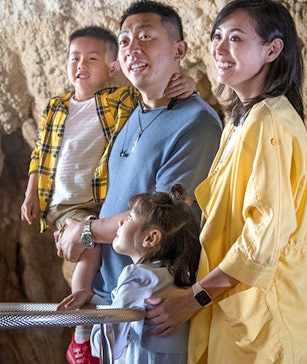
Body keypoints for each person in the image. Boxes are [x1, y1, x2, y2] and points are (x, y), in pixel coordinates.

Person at [143, 0, 307, 363]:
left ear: (272, 50)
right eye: (217, 36)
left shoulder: (268, 122)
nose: (220, 48)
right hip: (240, 314)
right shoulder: (241, 119)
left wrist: (194, 297)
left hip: (266, 320)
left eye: (236, 38)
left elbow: (262, 240)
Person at [57, 0, 222, 364]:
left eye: (146, 37)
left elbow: (161, 219)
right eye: (126, 40)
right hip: (110, 305)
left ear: (179, 50)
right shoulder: (134, 114)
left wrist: (84, 230)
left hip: (151, 313)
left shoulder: (197, 125)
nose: (133, 48)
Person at [21, 26, 195, 358]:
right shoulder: (55, 107)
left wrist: (187, 83)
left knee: (90, 250)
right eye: (74, 58)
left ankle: (81, 332)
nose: (81, 65)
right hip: (60, 200)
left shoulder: (119, 100)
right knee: (87, 251)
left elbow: (154, 92)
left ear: (113, 68)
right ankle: (83, 331)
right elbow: (39, 152)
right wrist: (31, 193)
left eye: (92, 58)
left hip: (93, 202)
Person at [90, 184, 202, 364]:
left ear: (150, 238)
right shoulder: (182, 278)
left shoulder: (138, 276)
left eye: (130, 217)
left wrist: (94, 327)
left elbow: (107, 343)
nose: (120, 222)